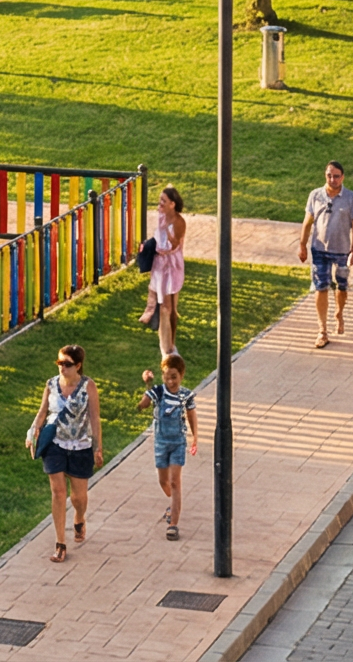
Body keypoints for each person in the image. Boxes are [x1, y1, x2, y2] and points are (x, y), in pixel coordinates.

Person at [25, 344, 101, 564]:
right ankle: (60, 543)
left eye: (67, 364)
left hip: (80, 446)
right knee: (58, 492)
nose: (62, 367)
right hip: (55, 444)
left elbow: (95, 418)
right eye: (59, 363)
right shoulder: (51, 384)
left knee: (78, 497)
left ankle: (79, 518)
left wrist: (98, 447)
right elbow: (43, 412)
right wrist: (33, 431)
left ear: (78, 365)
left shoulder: (88, 386)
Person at [298, 161, 353, 348]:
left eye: (336, 176)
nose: (332, 179)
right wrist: (302, 245)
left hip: (342, 250)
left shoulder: (351, 197)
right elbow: (307, 222)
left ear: (343, 177)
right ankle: (322, 330)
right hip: (319, 249)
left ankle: (339, 313)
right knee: (321, 286)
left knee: (342, 286)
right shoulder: (315, 195)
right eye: (329, 176)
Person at [141, 355, 195, 542]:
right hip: (161, 443)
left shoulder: (186, 395)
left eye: (174, 377)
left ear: (181, 375)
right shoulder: (158, 392)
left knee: (174, 482)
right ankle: (174, 503)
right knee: (163, 481)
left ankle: (173, 523)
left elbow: (191, 415)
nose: (171, 381)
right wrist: (147, 384)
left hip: (178, 442)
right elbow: (146, 402)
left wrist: (195, 437)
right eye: (167, 377)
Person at [139, 186, 186, 355]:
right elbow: (158, 237)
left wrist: (166, 229)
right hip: (160, 264)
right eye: (160, 200)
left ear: (172, 204)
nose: (160, 204)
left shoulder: (179, 222)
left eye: (163, 201)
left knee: (169, 306)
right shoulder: (161, 215)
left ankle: (170, 344)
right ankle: (164, 341)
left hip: (172, 266)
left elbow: (172, 246)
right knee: (163, 303)